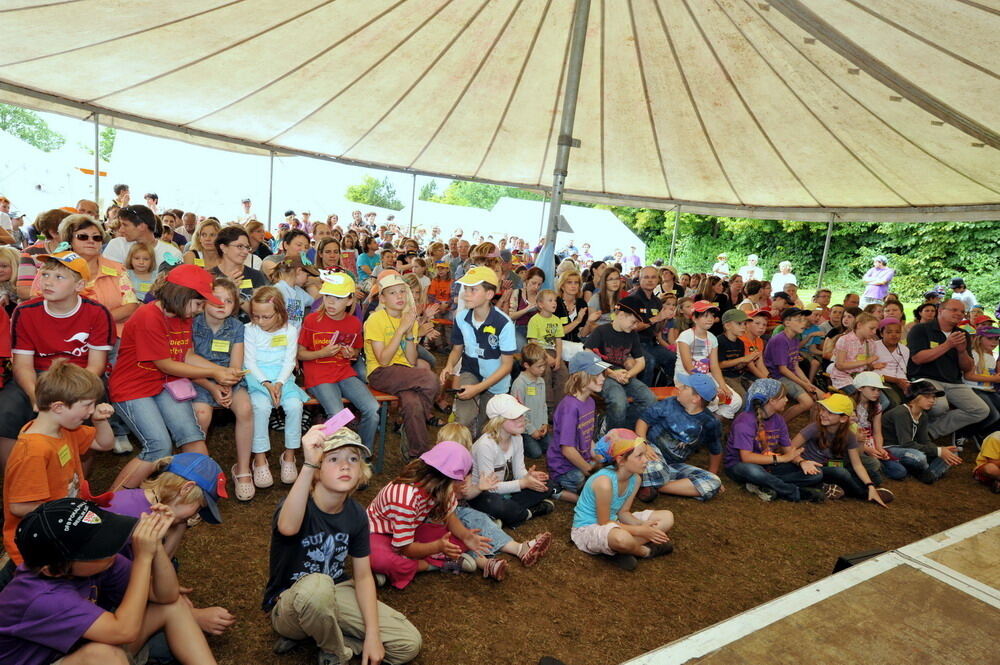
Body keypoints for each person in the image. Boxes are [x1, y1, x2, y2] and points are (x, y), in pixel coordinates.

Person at [264, 426, 422, 665]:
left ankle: (329, 639)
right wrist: (307, 464)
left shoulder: (357, 514)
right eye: (333, 458)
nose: (345, 465)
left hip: (335, 593)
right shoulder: (297, 503)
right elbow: (287, 527)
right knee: (317, 586)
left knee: (408, 643)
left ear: (361, 472)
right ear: (317, 469)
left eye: (353, 459)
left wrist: (372, 634)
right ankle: (334, 652)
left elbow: (363, 577)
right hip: (289, 605)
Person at [0, 498, 218, 665]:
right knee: (103, 656)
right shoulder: (42, 597)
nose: (110, 549)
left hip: (77, 647)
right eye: (95, 549)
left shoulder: (101, 562)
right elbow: (124, 631)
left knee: (174, 606)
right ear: (54, 570)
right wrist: (143, 558)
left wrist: (156, 547)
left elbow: (166, 595)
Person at [110, 265, 243, 490]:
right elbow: (166, 364)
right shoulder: (148, 315)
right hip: (133, 387)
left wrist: (219, 372)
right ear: (182, 296)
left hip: (165, 383)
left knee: (192, 436)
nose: (201, 310)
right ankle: (111, 503)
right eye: (199, 303)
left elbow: (187, 354)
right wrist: (214, 372)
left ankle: (197, 495)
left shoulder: (183, 314)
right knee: (158, 447)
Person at [0, 251, 115, 470]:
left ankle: (75, 489)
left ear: (79, 285)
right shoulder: (25, 311)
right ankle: (19, 479)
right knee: (4, 413)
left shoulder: (98, 313)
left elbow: (96, 366)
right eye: (45, 275)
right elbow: (22, 365)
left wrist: (68, 394)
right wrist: (38, 398)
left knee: (85, 421)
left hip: (81, 379)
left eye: (59, 277)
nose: (48, 282)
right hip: (39, 377)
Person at [1, 360, 113, 571]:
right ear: (59, 407)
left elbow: (104, 443)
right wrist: (70, 510)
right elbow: (19, 506)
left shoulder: (64, 429)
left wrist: (99, 421)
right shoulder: (33, 451)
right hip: (39, 544)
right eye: (87, 405)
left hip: (64, 527)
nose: (91, 411)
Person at [367, 440, 501, 588]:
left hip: (411, 531)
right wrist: (437, 547)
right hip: (380, 534)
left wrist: (466, 536)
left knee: (456, 538)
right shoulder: (405, 498)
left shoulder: (442, 488)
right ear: (450, 480)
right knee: (379, 559)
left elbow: (450, 516)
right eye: (462, 479)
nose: (464, 483)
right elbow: (405, 547)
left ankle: (393, 571)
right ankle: (430, 565)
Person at [571, 429, 674, 571]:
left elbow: (624, 512)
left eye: (644, 454)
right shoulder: (604, 483)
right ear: (620, 460)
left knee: (667, 517)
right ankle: (645, 551)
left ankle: (623, 550)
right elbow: (604, 523)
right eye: (639, 456)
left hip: (615, 523)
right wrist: (641, 531)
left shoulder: (635, 478)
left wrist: (643, 525)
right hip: (589, 528)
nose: (646, 460)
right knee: (621, 539)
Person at [298, 272, 379, 452]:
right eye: (327, 296)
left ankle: (362, 456)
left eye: (338, 298)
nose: (331, 302)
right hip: (318, 375)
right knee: (338, 415)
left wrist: (352, 354)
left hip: (343, 372)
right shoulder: (312, 320)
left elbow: (356, 352)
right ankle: (324, 455)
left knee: (372, 409)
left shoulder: (354, 324)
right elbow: (300, 355)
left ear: (350, 301)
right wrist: (322, 352)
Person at [190, 278, 255, 501]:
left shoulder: (237, 327)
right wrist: (212, 385)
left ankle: (244, 469)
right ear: (204, 301)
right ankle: (195, 471)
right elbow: (187, 364)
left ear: (235, 305)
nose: (221, 304)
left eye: (228, 301)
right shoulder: (192, 324)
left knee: (245, 408)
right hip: (199, 380)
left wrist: (227, 385)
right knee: (202, 414)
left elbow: (236, 365)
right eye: (216, 298)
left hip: (230, 381)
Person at [366, 271, 440, 457]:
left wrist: (408, 333)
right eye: (392, 293)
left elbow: (411, 360)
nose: (399, 296)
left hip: (404, 373)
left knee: (413, 404)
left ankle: (417, 454)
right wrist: (401, 330)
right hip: (380, 372)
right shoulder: (375, 320)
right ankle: (416, 429)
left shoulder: (409, 319)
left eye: (402, 291)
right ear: (382, 298)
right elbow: (383, 360)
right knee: (430, 379)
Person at [245, 286, 309, 487]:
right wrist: (266, 383)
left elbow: (290, 361)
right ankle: (260, 458)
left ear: (279, 312)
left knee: (295, 407)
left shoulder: (290, 330)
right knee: (261, 408)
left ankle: (289, 456)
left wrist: (280, 383)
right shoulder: (249, 330)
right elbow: (249, 362)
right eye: (256, 316)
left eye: (266, 317)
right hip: (257, 378)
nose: (260, 321)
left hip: (283, 378)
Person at [441, 267, 516, 438]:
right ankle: (461, 457)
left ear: (489, 294)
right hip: (471, 371)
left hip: (496, 380)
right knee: (463, 419)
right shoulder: (461, 318)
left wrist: (478, 389)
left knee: (487, 430)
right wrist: (449, 365)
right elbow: (457, 349)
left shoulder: (503, 323)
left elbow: (507, 366)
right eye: (465, 289)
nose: (466, 294)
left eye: (473, 290)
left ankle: (478, 454)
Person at [724, 379, 826, 503]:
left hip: (768, 464)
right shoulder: (744, 421)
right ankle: (794, 492)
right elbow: (746, 458)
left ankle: (764, 484)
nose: (787, 400)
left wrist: (802, 462)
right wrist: (782, 459)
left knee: (816, 473)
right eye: (783, 397)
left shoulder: (778, 419)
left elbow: (788, 449)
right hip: (740, 466)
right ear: (771, 401)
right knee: (753, 471)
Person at [907, 298, 992, 440]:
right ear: (940, 311)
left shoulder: (963, 334)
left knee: (980, 410)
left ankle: (929, 432)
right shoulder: (921, 329)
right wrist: (948, 344)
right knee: (940, 406)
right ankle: (920, 430)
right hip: (925, 378)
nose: (959, 314)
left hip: (954, 382)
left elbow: (967, 368)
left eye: (962, 311)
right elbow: (918, 358)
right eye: (954, 310)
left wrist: (961, 351)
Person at [466, 394, 554, 527]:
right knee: (495, 503)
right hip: (482, 493)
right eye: (514, 417)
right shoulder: (486, 445)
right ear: (498, 421)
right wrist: (523, 483)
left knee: (548, 484)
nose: (522, 419)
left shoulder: (517, 437)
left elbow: (519, 471)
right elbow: (489, 487)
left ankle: (506, 514)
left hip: (503, 487)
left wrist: (528, 477)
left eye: (521, 415)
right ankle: (528, 512)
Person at [634, 373, 724, 503]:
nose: (680, 388)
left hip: (672, 466)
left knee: (714, 482)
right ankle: (654, 482)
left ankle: (655, 485)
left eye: (685, 387)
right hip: (649, 454)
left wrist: (713, 473)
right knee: (656, 467)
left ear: (695, 398)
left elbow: (715, 449)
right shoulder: (669, 403)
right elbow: (643, 421)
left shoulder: (709, 423)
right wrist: (643, 445)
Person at [791, 394, 892, 506]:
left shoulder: (849, 435)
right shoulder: (815, 427)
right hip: (811, 467)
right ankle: (864, 494)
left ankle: (831, 486)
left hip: (830, 464)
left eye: (829, 412)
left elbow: (857, 464)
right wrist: (802, 462)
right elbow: (790, 448)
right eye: (823, 410)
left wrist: (870, 484)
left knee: (873, 476)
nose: (822, 414)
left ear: (843, 418)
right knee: (841, 472)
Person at [584, 297, 655, 431]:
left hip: (622, 375)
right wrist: (611, 373)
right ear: (621, 315)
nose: (635, 326)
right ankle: (612, 436)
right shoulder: (601, 331)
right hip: (601, 375)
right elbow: (587, 358)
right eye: (633, 322)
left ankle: (615, 425)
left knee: (650, 399)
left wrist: (629, 374)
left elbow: (641, 362)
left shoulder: (632, 334)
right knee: (619, 402)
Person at [547, 351, 608, 503]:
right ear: (578, 377)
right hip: (564, 468)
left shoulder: (590, 402)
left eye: (603, 373)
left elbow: (586, 438)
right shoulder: (569, 408)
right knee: (591, 486)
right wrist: (590, 471)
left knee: (607, 476)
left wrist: (600, 458)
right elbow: (567, 450)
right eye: (597, 374)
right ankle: (555, 490)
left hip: (582, 460)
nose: (602, 378)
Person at [881, 380, 961, 483]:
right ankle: (928, 471)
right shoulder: (901, 412)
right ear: (915, 397)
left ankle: (929, 474)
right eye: (927, 397)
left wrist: (940, 450)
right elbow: (905, 443)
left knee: (952, 452)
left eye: (933, 397)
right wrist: (938, 451)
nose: (932, 400)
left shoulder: (923, 415)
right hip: (890, 449)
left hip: (908, 449)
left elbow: (925, 441)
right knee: (919, 457)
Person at [674, 300, 741, 419]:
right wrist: (712, 388)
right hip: (686, 378)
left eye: (712, 316)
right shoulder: (685, 336)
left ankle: (713, 421)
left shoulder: (712, 338)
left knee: (735, 401)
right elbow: (689, 367)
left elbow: (714, 366)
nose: (710, 319)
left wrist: (722, 386)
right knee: (711, 400)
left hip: (706, 377)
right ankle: (705, 421)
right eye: (705, 316)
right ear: (694, 318)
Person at [764, 307, 825, 422]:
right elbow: (782, 369)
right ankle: (777, 424)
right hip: (778, 377)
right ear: (787, 323)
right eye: (799, 320)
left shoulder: (795, 338)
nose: (804, 323)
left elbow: (795, 366)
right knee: (807, 402)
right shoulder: (780, 340)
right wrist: (804, 384)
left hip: (790, 374)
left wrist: (807, 383)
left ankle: (814, 431)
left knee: (822, 397)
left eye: (804, 319)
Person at [631, 266, 677, 387]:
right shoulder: (633, 299)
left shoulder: (656, 301)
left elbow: (657, 330)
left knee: (673, 357)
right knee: (649, 361)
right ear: (640, 279)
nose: (650, 280)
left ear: (658, 280)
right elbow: (633, 327)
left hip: (651, 343)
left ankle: (665, 389)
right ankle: (643, 396)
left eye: (653, 277)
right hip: (634, 344)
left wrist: (667, 318)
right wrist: (658, 318)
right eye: (646, 277)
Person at [210, 226, 268, 318]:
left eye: (247, 247)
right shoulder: (209, 276)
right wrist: (227, 290)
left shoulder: (256, 276)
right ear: (223, 248)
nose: (245, 252)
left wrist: (237, 296)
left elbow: (261, 314)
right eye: (240, 246)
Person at [102, 204, 182, 270]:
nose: (121, 230)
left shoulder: (172, 254)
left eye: (125, 225)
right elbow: (109, 279)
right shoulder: (117, 245)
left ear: (142, 226)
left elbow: (174, 286)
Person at [527, 288, 568, 407]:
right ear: (541, 304)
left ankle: (560, 405)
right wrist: (546, 357)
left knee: (563, 375)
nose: (554, 303)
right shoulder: (534, 320)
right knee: (546, 373)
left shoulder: (556, 320)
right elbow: (533, 343)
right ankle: (547, 406)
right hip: (538, 352)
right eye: (550, 300)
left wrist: (558, 358)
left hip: (554, 352)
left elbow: (559, 341)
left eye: (555, 300)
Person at [510, 342, 551, 459]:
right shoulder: (519, 384)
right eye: (539, 366)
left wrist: (544, 424)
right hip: (524, 429)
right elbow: (518, 412)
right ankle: (519, 442)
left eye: (544, 365)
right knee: (536, 453)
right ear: (527, 365)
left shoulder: (541, 381)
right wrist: (532, 430)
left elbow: (543, 405)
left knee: (551, 447)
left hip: (539, 426)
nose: (543, 369)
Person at [828, 312, 884, 393]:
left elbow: (867, 367)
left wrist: (873, 366)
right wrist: (866, 361)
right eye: (871, 328)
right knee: (863, 395)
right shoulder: (845, 340)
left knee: (884, 400)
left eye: (876, 329)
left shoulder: (871, 343)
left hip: (861, 378)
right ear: (859, 325)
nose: (874, 332)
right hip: (844, 378)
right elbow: (840, 365)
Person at [717, 308, 755, 399]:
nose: (744, 327)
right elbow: (719, 365)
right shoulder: (719, 341)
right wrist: (742, 359)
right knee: (744, 398)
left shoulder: (740, 343)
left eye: (745, 324)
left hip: (738, 375)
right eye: (739, 323)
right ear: (727, 325)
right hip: (725, 377)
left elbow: (737, 366)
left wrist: (746, 362)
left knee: (756, 392)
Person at [873, 318, 910, 406]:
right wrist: (897, 381)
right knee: (894, 401)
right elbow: (873, 371)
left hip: (897, 381)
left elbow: (902, 371)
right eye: (889, 332)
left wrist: (904, 383)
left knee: (911, 399)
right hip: (879, 380)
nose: (894, 335)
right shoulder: (873, 346)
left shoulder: (904, 349)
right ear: (881, 333)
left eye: (897, 332)